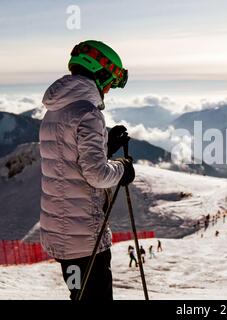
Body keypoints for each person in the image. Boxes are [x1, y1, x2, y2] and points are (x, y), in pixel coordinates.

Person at [39, 40, 134, 300]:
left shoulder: (54, 111)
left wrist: (105, 146)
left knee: (78, 296)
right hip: (84, 239)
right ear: (101, 75)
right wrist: (122, 168)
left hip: (60, 233)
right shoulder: (89, 113)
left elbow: (67, 160)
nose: (109, 91)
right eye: (110, 83)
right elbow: (97, 175)